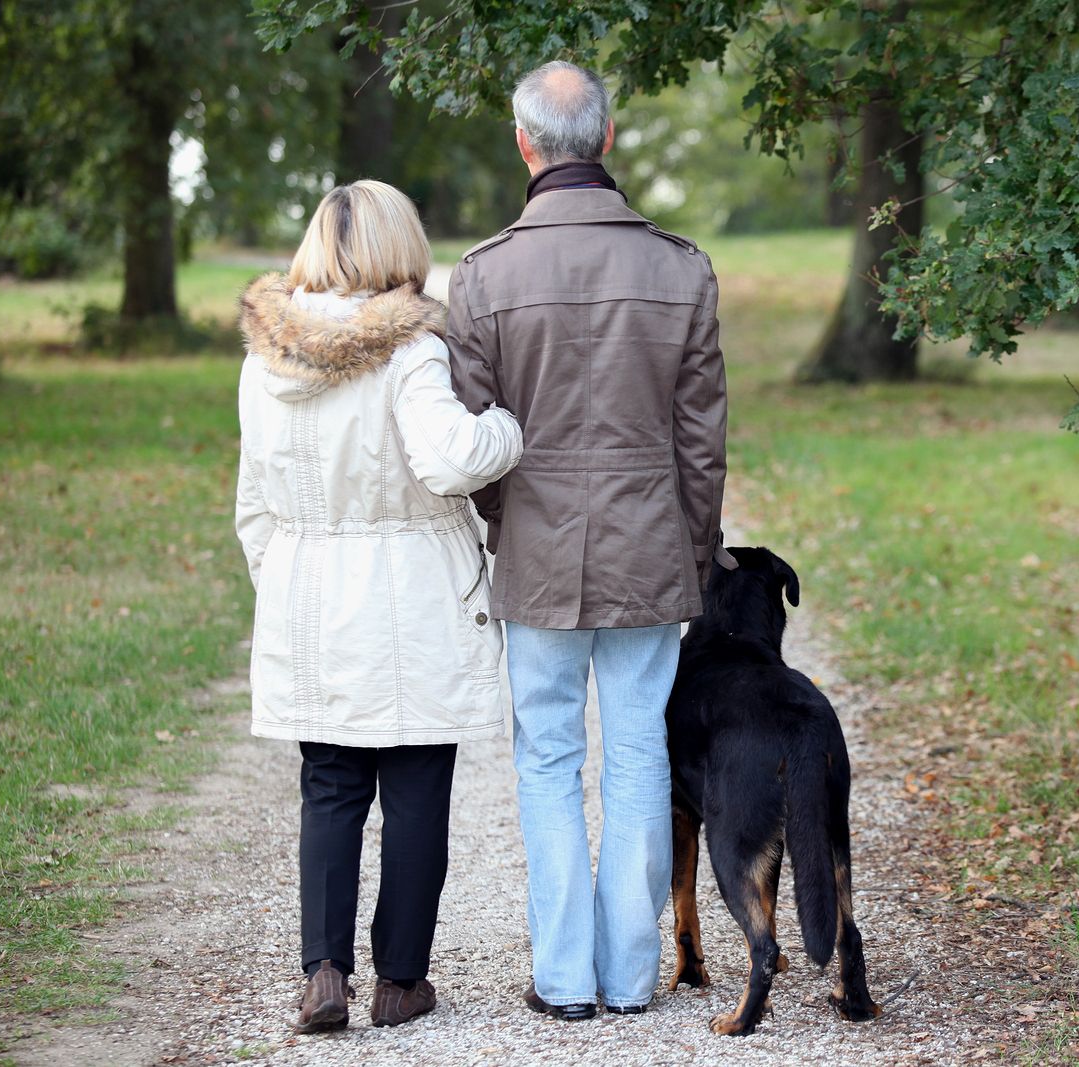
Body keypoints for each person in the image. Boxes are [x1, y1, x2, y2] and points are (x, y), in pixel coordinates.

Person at [446, 60, 733, 1019]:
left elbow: (473, 439)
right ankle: (628, 975)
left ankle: (565, 979)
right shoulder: (679, 267)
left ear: (524, 144)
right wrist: (697, 551)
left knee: (547, 756)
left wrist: (505, 526)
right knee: (640, 750)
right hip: (650, 544)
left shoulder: (484, 275)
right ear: (606, 138)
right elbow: (703, 440)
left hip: (536, 549)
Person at [234, 180, 524, 1032]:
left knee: (327, 785)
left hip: (307, 585)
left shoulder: (266, 359)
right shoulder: (411, 349)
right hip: (411, 594)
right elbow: (451, 457)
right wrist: (506, 425)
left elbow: (254, 501)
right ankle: (401, 979)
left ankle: (323, 973)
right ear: (403, 247)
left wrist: (284, 576)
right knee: (415, 785)